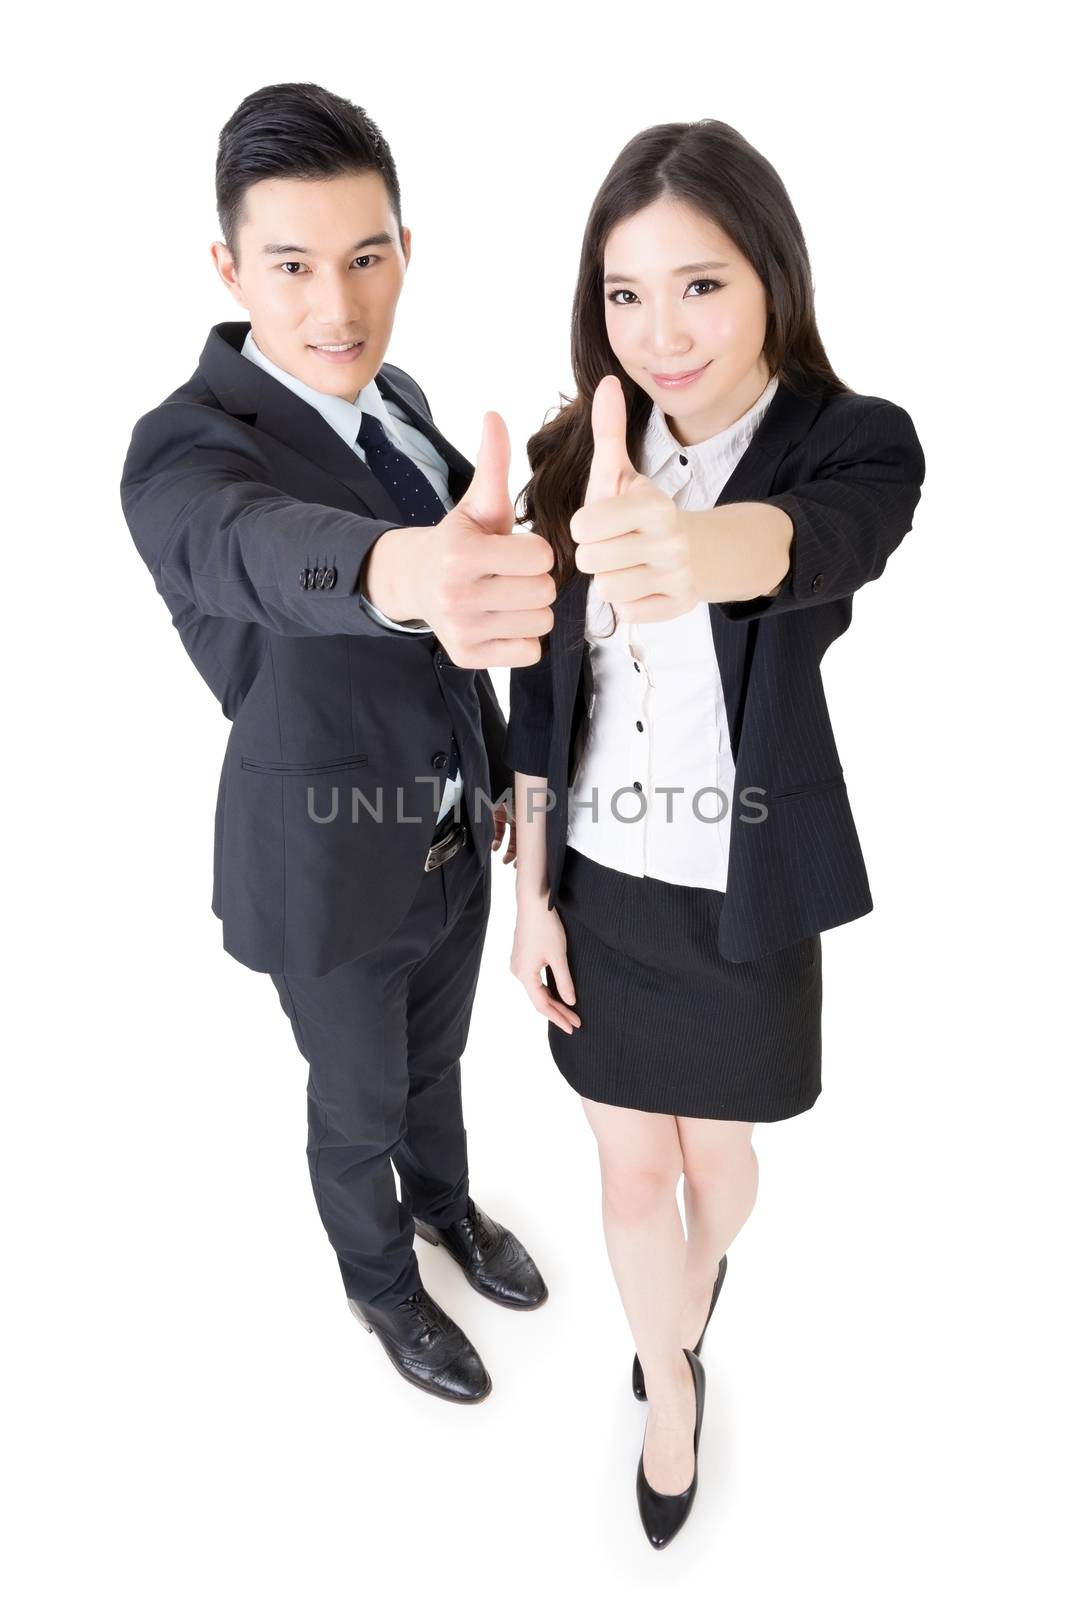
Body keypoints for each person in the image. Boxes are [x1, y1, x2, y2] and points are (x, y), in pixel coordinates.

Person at [507, 120, 925, 1545]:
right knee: (630, 1171)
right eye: (626, 295)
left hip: (740, 886)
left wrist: (692, 552)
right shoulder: (579, 449)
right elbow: (537, 693)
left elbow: (824, 541)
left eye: (701, 285)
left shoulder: (851, 439)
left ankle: (686, 1300)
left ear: (771, 278)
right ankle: (672, 1385)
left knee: (720, 1171)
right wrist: (532, 890)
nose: (661, 332)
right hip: (603, 886)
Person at [119, 82, 559, 1406]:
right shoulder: (185, 451)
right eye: (293, 266)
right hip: (326, 867)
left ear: (406, 250)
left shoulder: (398, 396)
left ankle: (447, 1208)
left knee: (437, 1064)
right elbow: (255, 550)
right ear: (228, 267)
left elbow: (449, 618)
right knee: (356, 1096)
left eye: (369, 258)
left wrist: (480, 764)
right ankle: (380, 1286)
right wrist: (394, 568)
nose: (339, 307)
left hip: (447, 837)